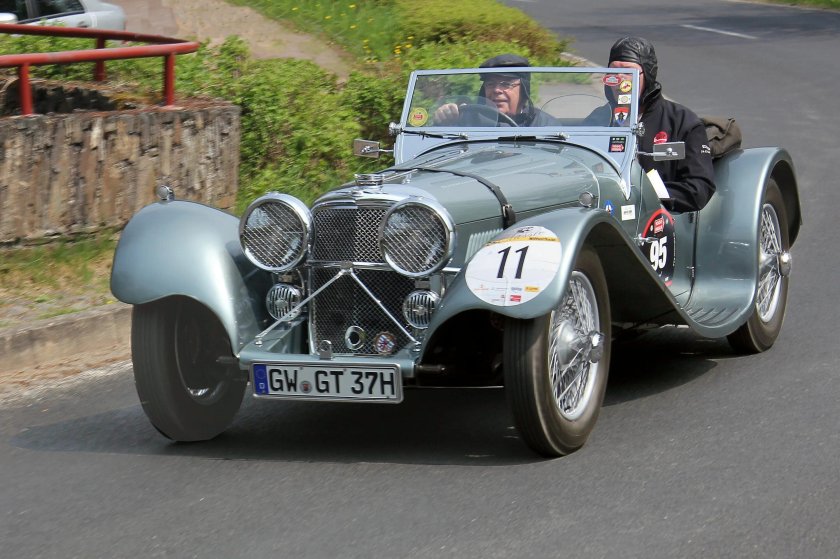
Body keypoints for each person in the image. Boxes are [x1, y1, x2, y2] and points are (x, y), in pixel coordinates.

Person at [608, 36, 716, 213]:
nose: (620, 80)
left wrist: (649, 195)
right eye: (612, 73)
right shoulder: (599, 119)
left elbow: (699, 187)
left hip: (662, 217)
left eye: (628, 73)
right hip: (609, 210)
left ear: (647, 75)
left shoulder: (683, 121)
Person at [433, 54, 557, 127]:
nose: (497, 90)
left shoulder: (545, 124)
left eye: (506, 84)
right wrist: (445, 119)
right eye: (490, 84)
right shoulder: (468, 119)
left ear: (524, 90)